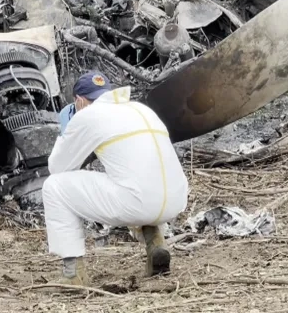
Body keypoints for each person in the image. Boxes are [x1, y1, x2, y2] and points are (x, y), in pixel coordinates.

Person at [42, 71, 189, 285]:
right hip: (175, 200)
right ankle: (156, 243)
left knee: (53, 187)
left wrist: (65, 133)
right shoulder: (140, 108)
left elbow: (58, 168)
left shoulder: (86, 115)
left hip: (138, 203)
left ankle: (72, 273)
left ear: (79, 101)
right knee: (134, 179)